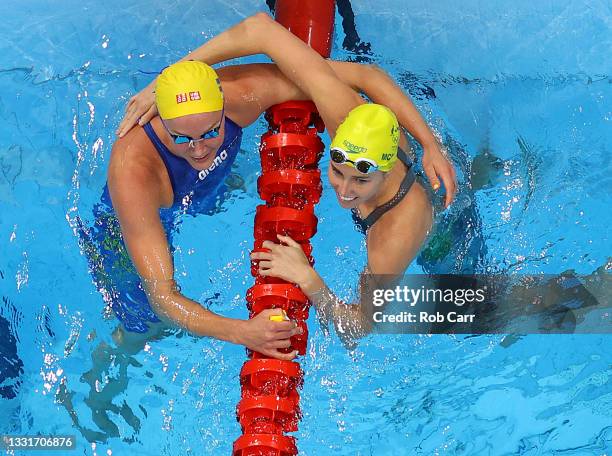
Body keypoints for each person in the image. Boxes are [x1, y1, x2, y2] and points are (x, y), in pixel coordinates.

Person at [109, 13, 456, 356]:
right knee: (144, 323)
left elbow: (358, 329)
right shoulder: (349, 119)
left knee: (469, 305)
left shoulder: (392, 237)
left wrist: (308, 279)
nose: (345, 191)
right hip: (139, 220)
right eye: (336, 171)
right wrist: (165, 82)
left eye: (212, 131)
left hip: (440, 227)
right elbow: (162, 297)